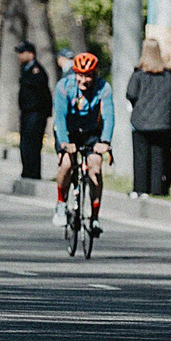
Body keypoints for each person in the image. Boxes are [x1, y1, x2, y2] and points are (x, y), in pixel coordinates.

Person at [51, 51, 115, 239]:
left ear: (95, 74)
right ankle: (61, 203)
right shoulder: (64, 86)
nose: (84, 80)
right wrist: (64, 143)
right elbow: (60, 117)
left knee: (95, 167)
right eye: (80, 75)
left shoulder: (104, 88)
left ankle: (94, 217)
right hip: (68, 132)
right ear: (75, 73)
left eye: (88, 76)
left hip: (90, 132)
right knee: (67, 164)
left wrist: (105, 141)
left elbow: (108, 116)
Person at [128, 36, 171, 196]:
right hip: (163, 123)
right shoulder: (168, 76)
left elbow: (130, 94)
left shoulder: (138, 75)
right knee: (159, 157)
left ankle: (140, 189)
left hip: (141, 123)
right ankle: (157, 190)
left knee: (141, 156)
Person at [14, 41, 51, 181]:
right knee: (25, 143)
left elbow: (43, 94)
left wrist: (43, 113)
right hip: (26, 112)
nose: (19, 56)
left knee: (33, 143)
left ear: (31, 54)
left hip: (35, 113)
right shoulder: (25, 70)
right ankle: (27, 171)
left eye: (22, 53)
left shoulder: (37, 71)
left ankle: (33, 172)